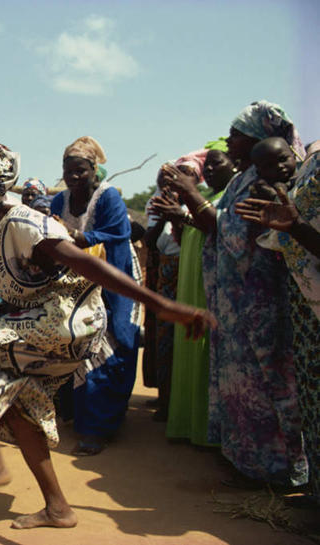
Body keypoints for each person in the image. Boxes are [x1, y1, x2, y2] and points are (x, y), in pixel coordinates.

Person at [0, 139, 215, 529]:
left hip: (67, 322)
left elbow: (87, 264)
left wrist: (161, 305)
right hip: (43, 319)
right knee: (18, 404)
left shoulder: (22, 223)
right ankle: (57, 508)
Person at [160, 100, 307, 488]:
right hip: (234, 302)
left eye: (237, 134)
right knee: (237, 380)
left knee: (265, 381)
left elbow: (231, 232)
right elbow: (216, 226)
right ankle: (244, 458)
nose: (229, 140)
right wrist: (184, 215)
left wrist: (190, 191)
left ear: (260, 138)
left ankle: (274, 469)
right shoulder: (244, 180)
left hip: (258, 301)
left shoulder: (266, 181)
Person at [236, 145, 320, 500]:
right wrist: (295, 226)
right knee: (312, 403)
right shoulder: (312, 166)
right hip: (306, 310)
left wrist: (296, 226)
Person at [50, 136, 141, 456]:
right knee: (73, 348)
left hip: (112, 281)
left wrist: (80, 236)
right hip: (73, 285)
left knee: (112, 345)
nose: (74, 177)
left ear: (94, 171)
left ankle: (100, 425)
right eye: (68, 170)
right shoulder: (57, 201)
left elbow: (119, 235)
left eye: (81, 170)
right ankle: (78, 415)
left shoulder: (108, 197)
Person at [153, 148, 235, 446]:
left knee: (203, 350)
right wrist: (176, 216)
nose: (210, 170)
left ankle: (205, 430)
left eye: (216, 163)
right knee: (188, 347)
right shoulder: (212, 196)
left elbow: (219, 227)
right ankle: (189, 423)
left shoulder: (229, 195)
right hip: (191, 272)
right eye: (207, 165)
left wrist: (184, 210)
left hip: (207, 279)